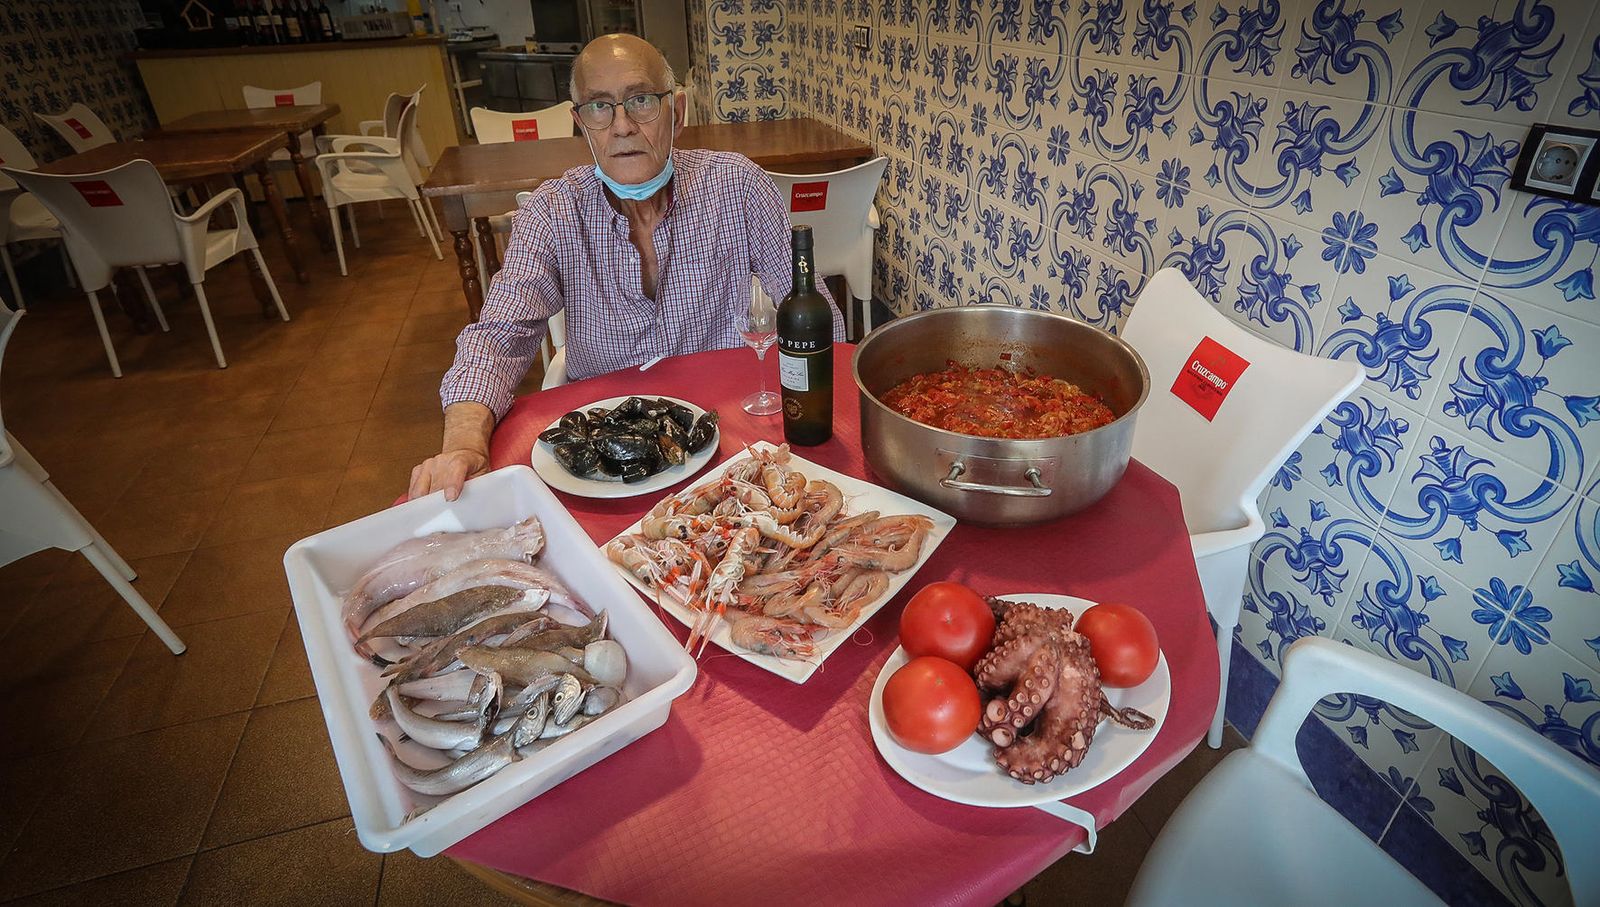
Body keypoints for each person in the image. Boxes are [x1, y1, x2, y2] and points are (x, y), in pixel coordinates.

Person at [408, 34, 844, 502]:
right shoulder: (553, 213)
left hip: (726, 446)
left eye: (640, 101)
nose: (622, 126)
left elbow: (821, 323)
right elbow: (497, 337)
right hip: (605, 461)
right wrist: (464, 442)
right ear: (581, 123)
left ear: (676, 112)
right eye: (599, 107)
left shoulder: (737, 186)